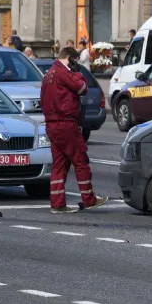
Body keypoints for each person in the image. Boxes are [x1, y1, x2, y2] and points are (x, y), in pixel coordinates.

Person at [40, 46, 108, 214]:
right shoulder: (63, 73)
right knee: (80, 160)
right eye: (75, 62)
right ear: (69, 58)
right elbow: (82, 89)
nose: (75, 65)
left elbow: (42, 100)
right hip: (66, 124)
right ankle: (89, 199)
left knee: (59, 165)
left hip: (52, 124)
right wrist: (78, 73)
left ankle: (57, 203)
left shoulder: (49, 74)